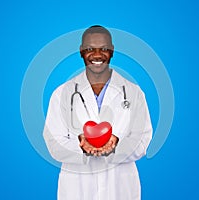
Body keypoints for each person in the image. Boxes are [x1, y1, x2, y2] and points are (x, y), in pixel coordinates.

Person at [43, 25, 153, 200]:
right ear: (81, 51)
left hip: (121, 188)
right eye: (89, 49)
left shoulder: (133, 93)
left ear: (112, 51)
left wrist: (116, 145)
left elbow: (142, 140)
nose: (96, 55)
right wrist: (81, 146)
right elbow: (53, 142)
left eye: (103, 49)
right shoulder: (62, 94)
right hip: (77, 189)